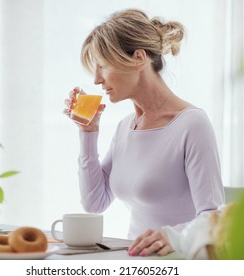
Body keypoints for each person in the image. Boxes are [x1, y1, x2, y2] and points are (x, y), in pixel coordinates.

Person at [63, 8, 225, 257]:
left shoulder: (192, 124)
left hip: (177, 259)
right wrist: (88, 132)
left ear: (139, 58)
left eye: (102, 66)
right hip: (132, 258)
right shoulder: (126, 127)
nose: (96, 80)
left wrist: (172, 236)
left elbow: (212, 216)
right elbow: (94, 203)